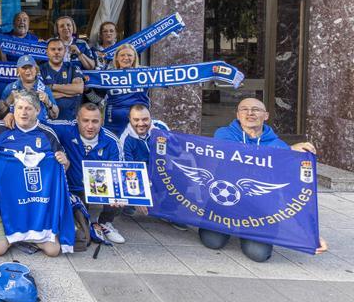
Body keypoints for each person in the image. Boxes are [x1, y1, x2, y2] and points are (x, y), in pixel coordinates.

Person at [203, 97, 327, 261]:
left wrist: (311, 234)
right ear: (238, 115)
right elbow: (239, 153)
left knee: (258, 255)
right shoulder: (224, 134)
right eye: (244, 109)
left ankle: (245, 231)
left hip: (258, 211)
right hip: (224, 205)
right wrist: (288, 151)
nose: (250, 113)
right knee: (212, 242)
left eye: (256, 109)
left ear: (266, 115)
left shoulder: (277, 144)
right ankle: (232, 228)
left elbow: (293, 190)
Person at [0, 90, 69, 256]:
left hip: (35, 207)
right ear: (13, 109)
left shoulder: (47, 134)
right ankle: (12, 229)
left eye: (28, 108)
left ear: (38, 111)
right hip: (5, 204)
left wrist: (64, 162)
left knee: (53, 250)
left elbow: (62, 169)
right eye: (19, 107)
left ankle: (28, 234)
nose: (23, 112)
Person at [46, 103, 126, 244]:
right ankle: (87, 223)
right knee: (79, 229)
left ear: (101, 121)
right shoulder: (66, 129)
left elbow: (118, 172)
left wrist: (117, 194)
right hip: (73, 189)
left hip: (100, 189)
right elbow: (39, 123)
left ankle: (105, 223)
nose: (90, 126)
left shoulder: (112, 141)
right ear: (77, 119)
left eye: (95, 121)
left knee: (121, 196)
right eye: (85, 120)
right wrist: (10, 115)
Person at [117, 105, 178, 225]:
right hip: (142, 173)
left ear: (151, 118)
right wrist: (139, 197)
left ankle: (170, 210)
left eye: (145, 119)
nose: (141, 123)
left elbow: (174, 151)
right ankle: (130, 204)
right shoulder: (124, 138)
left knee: (180, 174)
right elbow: (129, 170)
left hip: (162, 169)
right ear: (129, 119)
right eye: (136, 120)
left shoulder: (160, 127)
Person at [103, 43, 149, 137]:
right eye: (122, 55)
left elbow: (167, 79)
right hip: (113, 124)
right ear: (116, 58)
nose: (126, 58)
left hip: (139, 123)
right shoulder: (107, 75)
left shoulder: (145, 72)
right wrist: (87, 90)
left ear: (135, 58)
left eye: (129, 55)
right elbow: (96, 98)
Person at [0, 55, 59, 121]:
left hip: (39, 128)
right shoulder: (10, 88)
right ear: (18, 71)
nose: (28, 70)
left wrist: (48, 102)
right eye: (24, 68)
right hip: (16, 127)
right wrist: (8, 100)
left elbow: (55, 115)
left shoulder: (44, 89)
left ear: (36, 69)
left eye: (30, 67)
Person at [40, 38, 84, 120]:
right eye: (53, 49)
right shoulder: (40, 70)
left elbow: (79, 89)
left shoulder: (73, 67)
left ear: (64, 52)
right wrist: (68, 93)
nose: (56, 52)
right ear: (47, 52)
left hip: (70, 120)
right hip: (47, 120)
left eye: (60, 49)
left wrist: (52, 87)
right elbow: (40, 95)